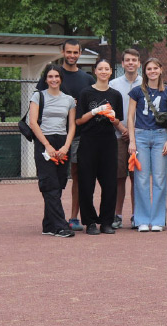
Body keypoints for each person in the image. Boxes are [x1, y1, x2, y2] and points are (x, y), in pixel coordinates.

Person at [35, 39, 94, 231]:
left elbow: (90, 106)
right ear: (63, 52)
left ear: (80, 53)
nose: (72, 55)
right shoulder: (50, 76)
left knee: (75, 177)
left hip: (76, 136)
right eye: (69, 52)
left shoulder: (87, 79)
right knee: (52, 181)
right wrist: (46, 143)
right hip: (51, 138)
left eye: (75, 52)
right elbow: (38, 108)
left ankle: (72, 217)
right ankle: (55, 221)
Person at [75, 59, 126, 235]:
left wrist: (112, 117)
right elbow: (78, 120)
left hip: (108, 142)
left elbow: (118, 120)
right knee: (86, 183)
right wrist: (95, 111)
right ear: (95, 71)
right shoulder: (86, 93)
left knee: (110, 183)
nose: (103, 71)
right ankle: (89, 222)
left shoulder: (116, 95)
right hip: (88, 141)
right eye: (100, 69)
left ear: (111, 71)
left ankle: (106, 222)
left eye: (106, 69)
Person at [126, 58, 167, 233]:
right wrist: (132, 140)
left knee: (159, 179)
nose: (152, 71)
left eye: (155, 68)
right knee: (141, 179)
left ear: (161, 69)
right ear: (145, 71)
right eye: (149, 69)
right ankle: (141, 219)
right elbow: (130, 117)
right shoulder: (137, 91)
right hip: (140, 136)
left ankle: (157, 220)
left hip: (160, 136)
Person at [29, 65, 77, 238]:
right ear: (46, 79)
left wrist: (65, 147)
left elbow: (72, 125)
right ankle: (60, 226)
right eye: (50, 76)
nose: (54, 79)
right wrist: (47, 145)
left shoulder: (69, 100)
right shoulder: (38, 96)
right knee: (50, 184)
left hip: (62, 142)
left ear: (61, 79)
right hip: (44, 141)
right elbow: (33, 123)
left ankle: (48, 225)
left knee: (59, 182)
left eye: (57, 76)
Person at [109, 48, 142, 229]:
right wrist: (122, 128)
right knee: (119, 178)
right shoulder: (113, 84)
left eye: (134, 60)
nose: (131, 63)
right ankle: (118, 215)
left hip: (140, 137)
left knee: (137, 179)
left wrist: (134, 131)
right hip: (118, 136)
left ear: (139, 63)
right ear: (122, 63)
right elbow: (109, 110)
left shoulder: (145, 83)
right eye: (127, 60)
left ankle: (137, 215)